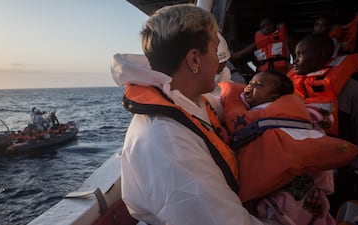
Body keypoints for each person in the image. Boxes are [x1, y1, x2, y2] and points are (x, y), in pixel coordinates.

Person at [111, 4, 279, 225]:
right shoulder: (165, 141)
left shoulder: (190, 99)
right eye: (215, 51)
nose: (221, 63)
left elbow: (221, 104)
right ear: (194, 60)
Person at [219, 71, 358, 225]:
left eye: (258, 85)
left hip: (300, 178)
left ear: (274, 96)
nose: (249, 87)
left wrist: (324, 120)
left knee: (310, 212)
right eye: (250, 83)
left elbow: (315, 124)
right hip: (270, 182)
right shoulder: (244, 111)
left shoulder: (293, 110)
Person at [288, 33, 358, 146]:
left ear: (321, 54)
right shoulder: (288, 89)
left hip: (340, 156)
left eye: (300, 54)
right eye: (295, 55)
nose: (295, 60)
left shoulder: (354, 90)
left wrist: (354, 163)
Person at [230, 17, 295, 75]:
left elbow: (295, 54)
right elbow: (239, 54)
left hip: (284, 72)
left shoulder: (286, 39)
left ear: (274, 25)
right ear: (260, 29)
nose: (267, 27)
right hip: (265, 74)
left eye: (269, 24)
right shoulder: (256, 44)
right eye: (263, 26)